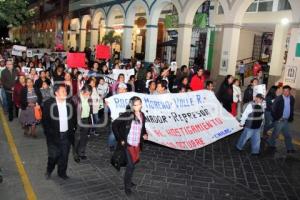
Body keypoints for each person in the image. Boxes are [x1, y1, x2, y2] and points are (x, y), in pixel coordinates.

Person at [112, 96, 148, 196]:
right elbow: (114, 124)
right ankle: (127, 187)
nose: (138, 106)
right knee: (131, 166)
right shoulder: (127, 115)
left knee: (133, 163)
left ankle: (129, 180)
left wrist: (144, 134)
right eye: (136, 105)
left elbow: (142, 128)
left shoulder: (142, 115)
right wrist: (120, 139)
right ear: (132, 105)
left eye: (140, 104)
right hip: (128, 144)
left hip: (136, 144)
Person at [43, 84, 77, 180]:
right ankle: (49, 170)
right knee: (53, 156)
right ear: (56, 93)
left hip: (66, 135)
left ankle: (62, 173)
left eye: (66, 91)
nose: (65, 93)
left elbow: (74, 118)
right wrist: (49, 134)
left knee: (64, 155)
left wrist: (73, 128)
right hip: (53, 136)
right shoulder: (48, 104)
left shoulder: (70, 103)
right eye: (63, 91)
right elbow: (45, 121)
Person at [268, 85, 295, 153]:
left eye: (287, 91)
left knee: (287, 135)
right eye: (284, 91)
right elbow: (273, 109)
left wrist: (291, 117)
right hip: (280, 119)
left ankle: (289, 148)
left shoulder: (291, 98)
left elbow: (291, 108)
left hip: (286, 119)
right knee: (275, 134)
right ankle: (271, 144)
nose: (285, 92)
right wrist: (277, 118)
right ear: (282, 91)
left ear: (289, 91)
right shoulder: (279, 98)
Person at [72, 84, 93, 162]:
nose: (87, 95)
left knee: (84, 137)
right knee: (77, 138)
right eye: (86, 93)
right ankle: (75, 154)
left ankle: (81, 153)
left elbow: (90, 110)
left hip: (86, 120)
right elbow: (72, 112)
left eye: (89, 94)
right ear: (82, 91)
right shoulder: (75, 98)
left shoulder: (89, 98)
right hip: (78, 120)